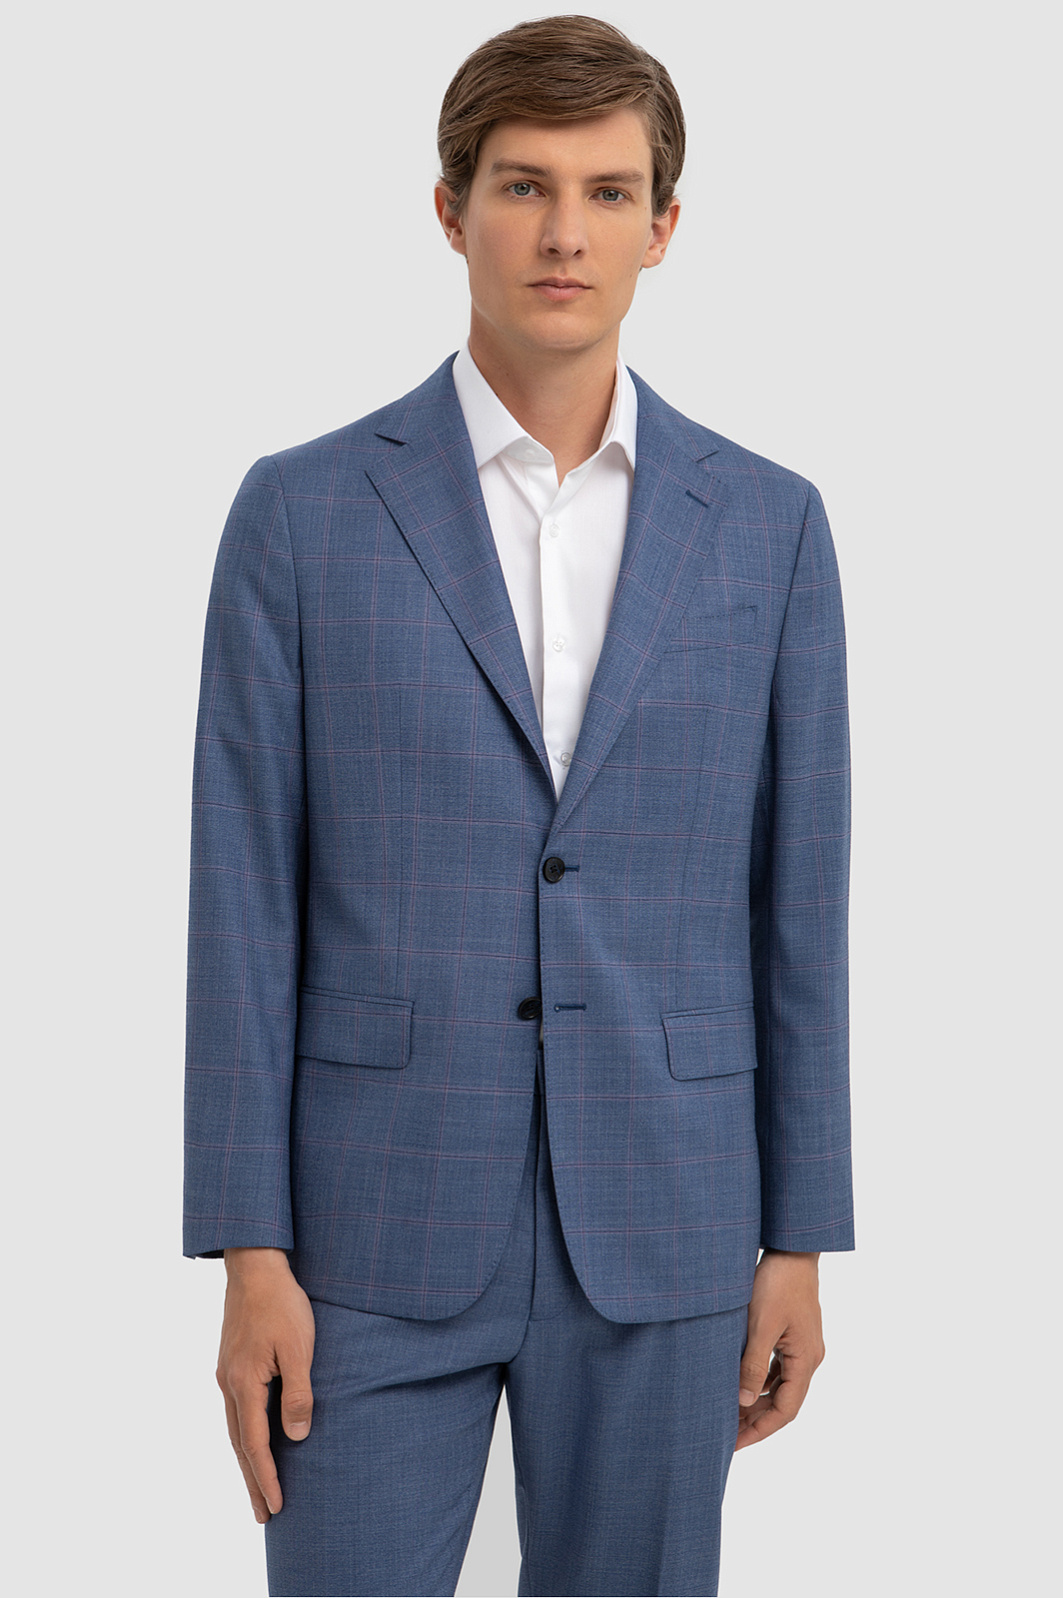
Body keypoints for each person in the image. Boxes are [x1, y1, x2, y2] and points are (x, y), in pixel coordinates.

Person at [183, 15, 855, 1597]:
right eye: (524, 186)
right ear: (450, 209)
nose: (566, 233)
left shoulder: (769, 527)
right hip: (365, 1226)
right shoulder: (299, 513)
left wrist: (800, 1235)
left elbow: (801, 906)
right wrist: (247, 1247)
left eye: (609, 193)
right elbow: (242, 898)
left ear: (664, 228)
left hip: (670, 1214)